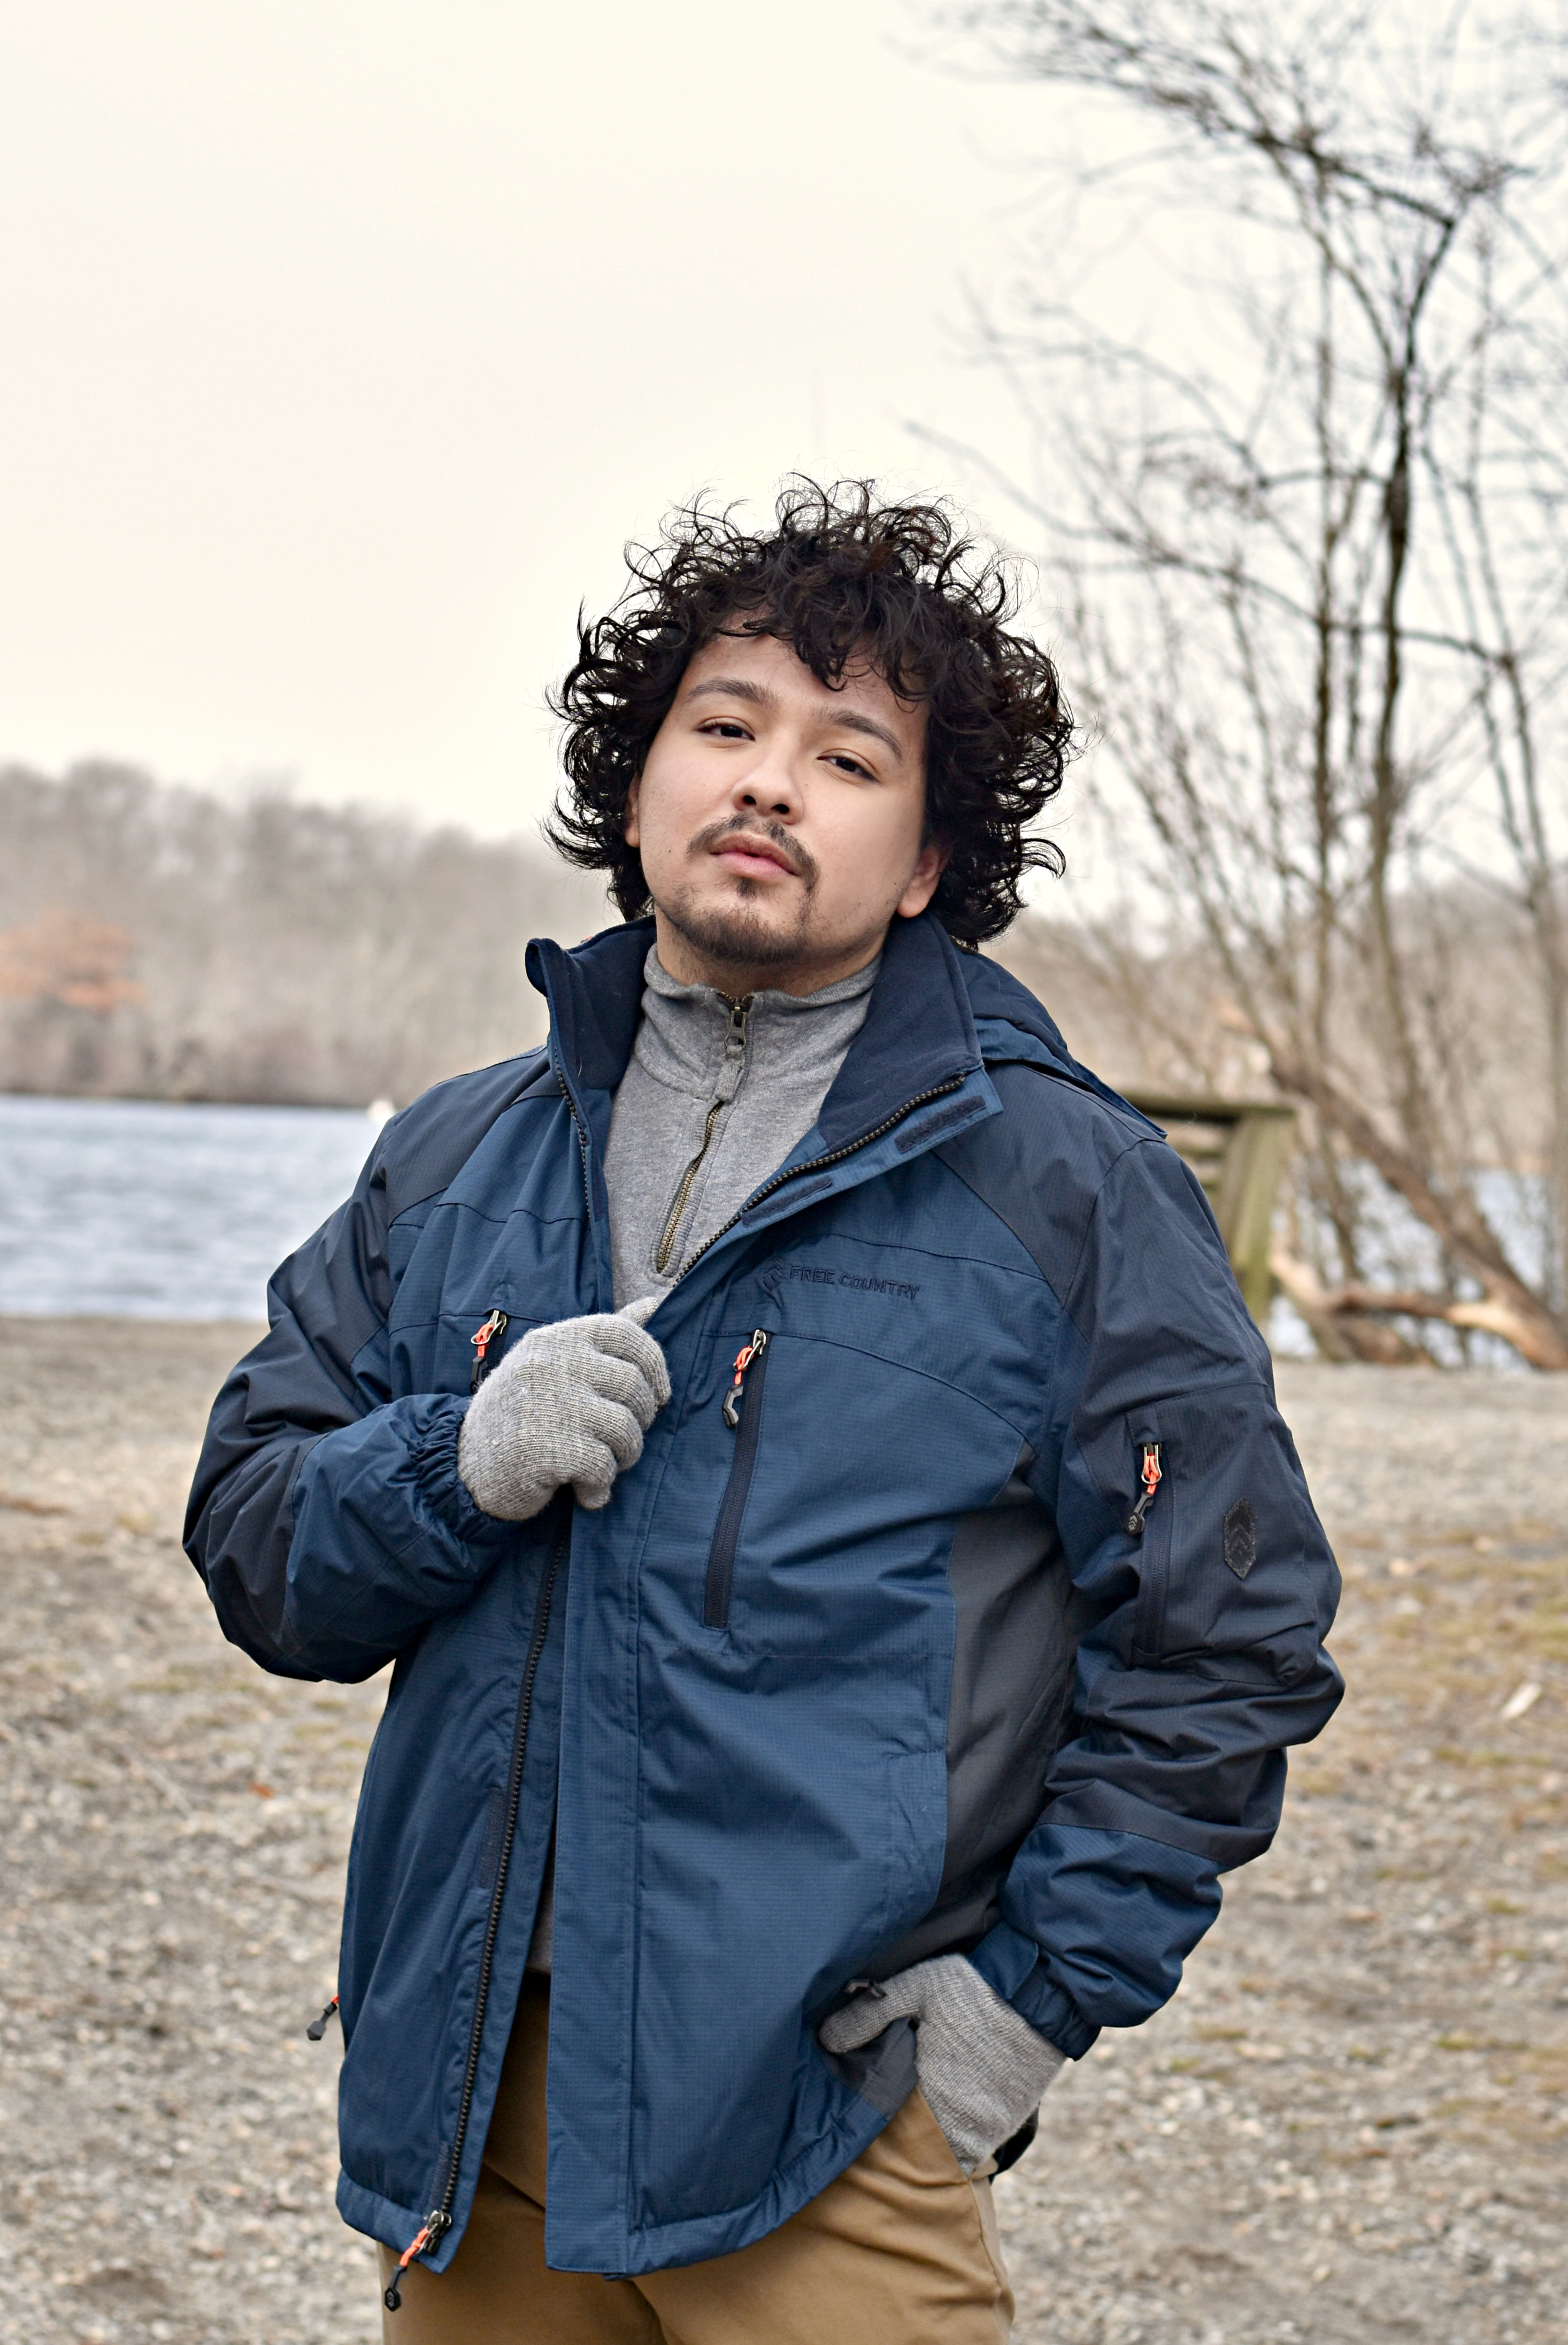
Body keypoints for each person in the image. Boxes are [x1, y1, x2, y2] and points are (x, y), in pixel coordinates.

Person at [185, 481, 1342, 2343]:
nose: (770, 783)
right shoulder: (457, 1156)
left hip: (831, 2127)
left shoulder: (1067, 1189)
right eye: (724, 724)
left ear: (926, 860)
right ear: (639, 781)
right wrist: (453, 1463)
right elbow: (256, 1541)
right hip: (475, 2105)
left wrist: (1023, 2010)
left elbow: (1231, 1628)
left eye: (848, 755)